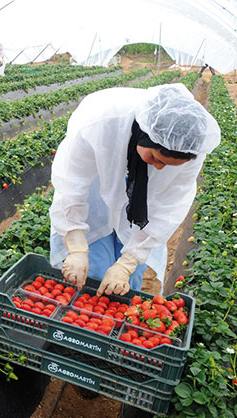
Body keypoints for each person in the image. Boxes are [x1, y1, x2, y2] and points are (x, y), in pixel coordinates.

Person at [49, 83, 220, 297]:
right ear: (145, 136)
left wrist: (126, 264)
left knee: (124, 283)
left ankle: (117, 321)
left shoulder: (191, 146)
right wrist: (75, 245)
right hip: (96, 193)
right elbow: (71, 183)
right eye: (156, 159)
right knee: (92, 272)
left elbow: (169, 207)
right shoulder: (101, 121)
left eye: (167, 165)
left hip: (142, 208)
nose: (158, 167)